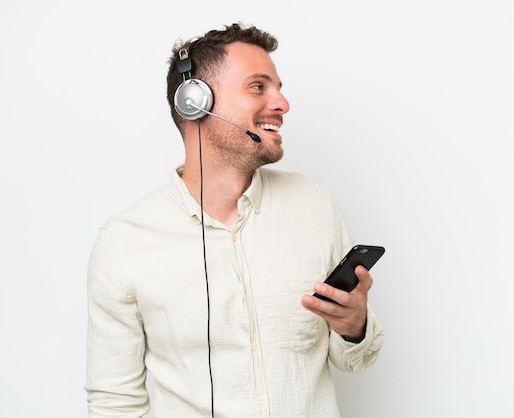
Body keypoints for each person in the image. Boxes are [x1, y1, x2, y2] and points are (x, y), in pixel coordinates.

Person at [85, 22, 384, 417]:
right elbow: (114, 402)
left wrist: (354, 326)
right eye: (258, 87)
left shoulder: (314, 204)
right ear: (194, 101)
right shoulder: (124, 241)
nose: (282, 104)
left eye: (278, 87)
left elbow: (355, 360)